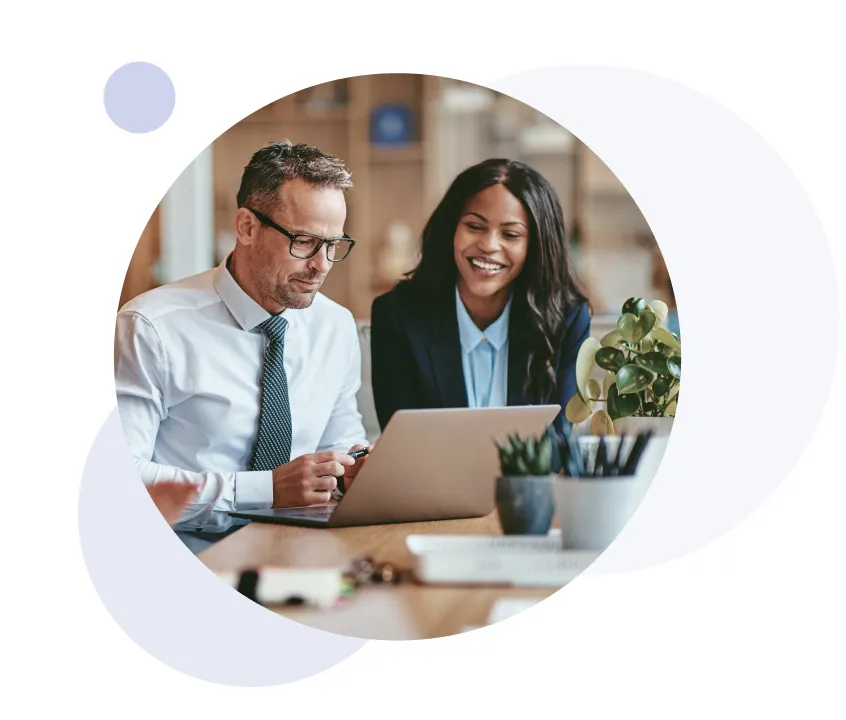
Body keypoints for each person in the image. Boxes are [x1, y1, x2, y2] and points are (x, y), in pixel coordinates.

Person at [115, 140, 372, 552]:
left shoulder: (334, 326)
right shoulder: (150, 328)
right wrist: (264, 490)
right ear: (247, 227)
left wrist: (355, 469)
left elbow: (340, 443)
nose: (322, 265)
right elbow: (118, 482)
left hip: (303, 553)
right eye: (304, 241)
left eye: (333, 245)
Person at [370, 158, 590, 437]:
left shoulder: (566, 319)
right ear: (452, 228)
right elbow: (402, 442)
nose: (488, 245)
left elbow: (558, 444)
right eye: (474, 227)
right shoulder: (397, 316)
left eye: (510, 234)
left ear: (535, 246)